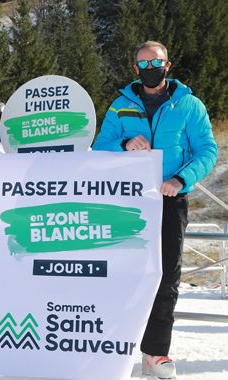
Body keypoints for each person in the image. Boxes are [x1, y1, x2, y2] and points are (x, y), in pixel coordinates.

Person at [92, 41, 217, 379]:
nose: (150, 68)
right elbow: (100, 148)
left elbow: (207, 150)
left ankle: (155, 353)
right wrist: (124, 144)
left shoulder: (188, 105)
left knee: (165, 276)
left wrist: (180, 178)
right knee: (121, 274)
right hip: (126, 202)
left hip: (168, 200)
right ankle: (112, 348)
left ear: (168, 65)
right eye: (143, 63)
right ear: (135, 69)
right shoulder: (120, 106)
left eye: (156, 62)